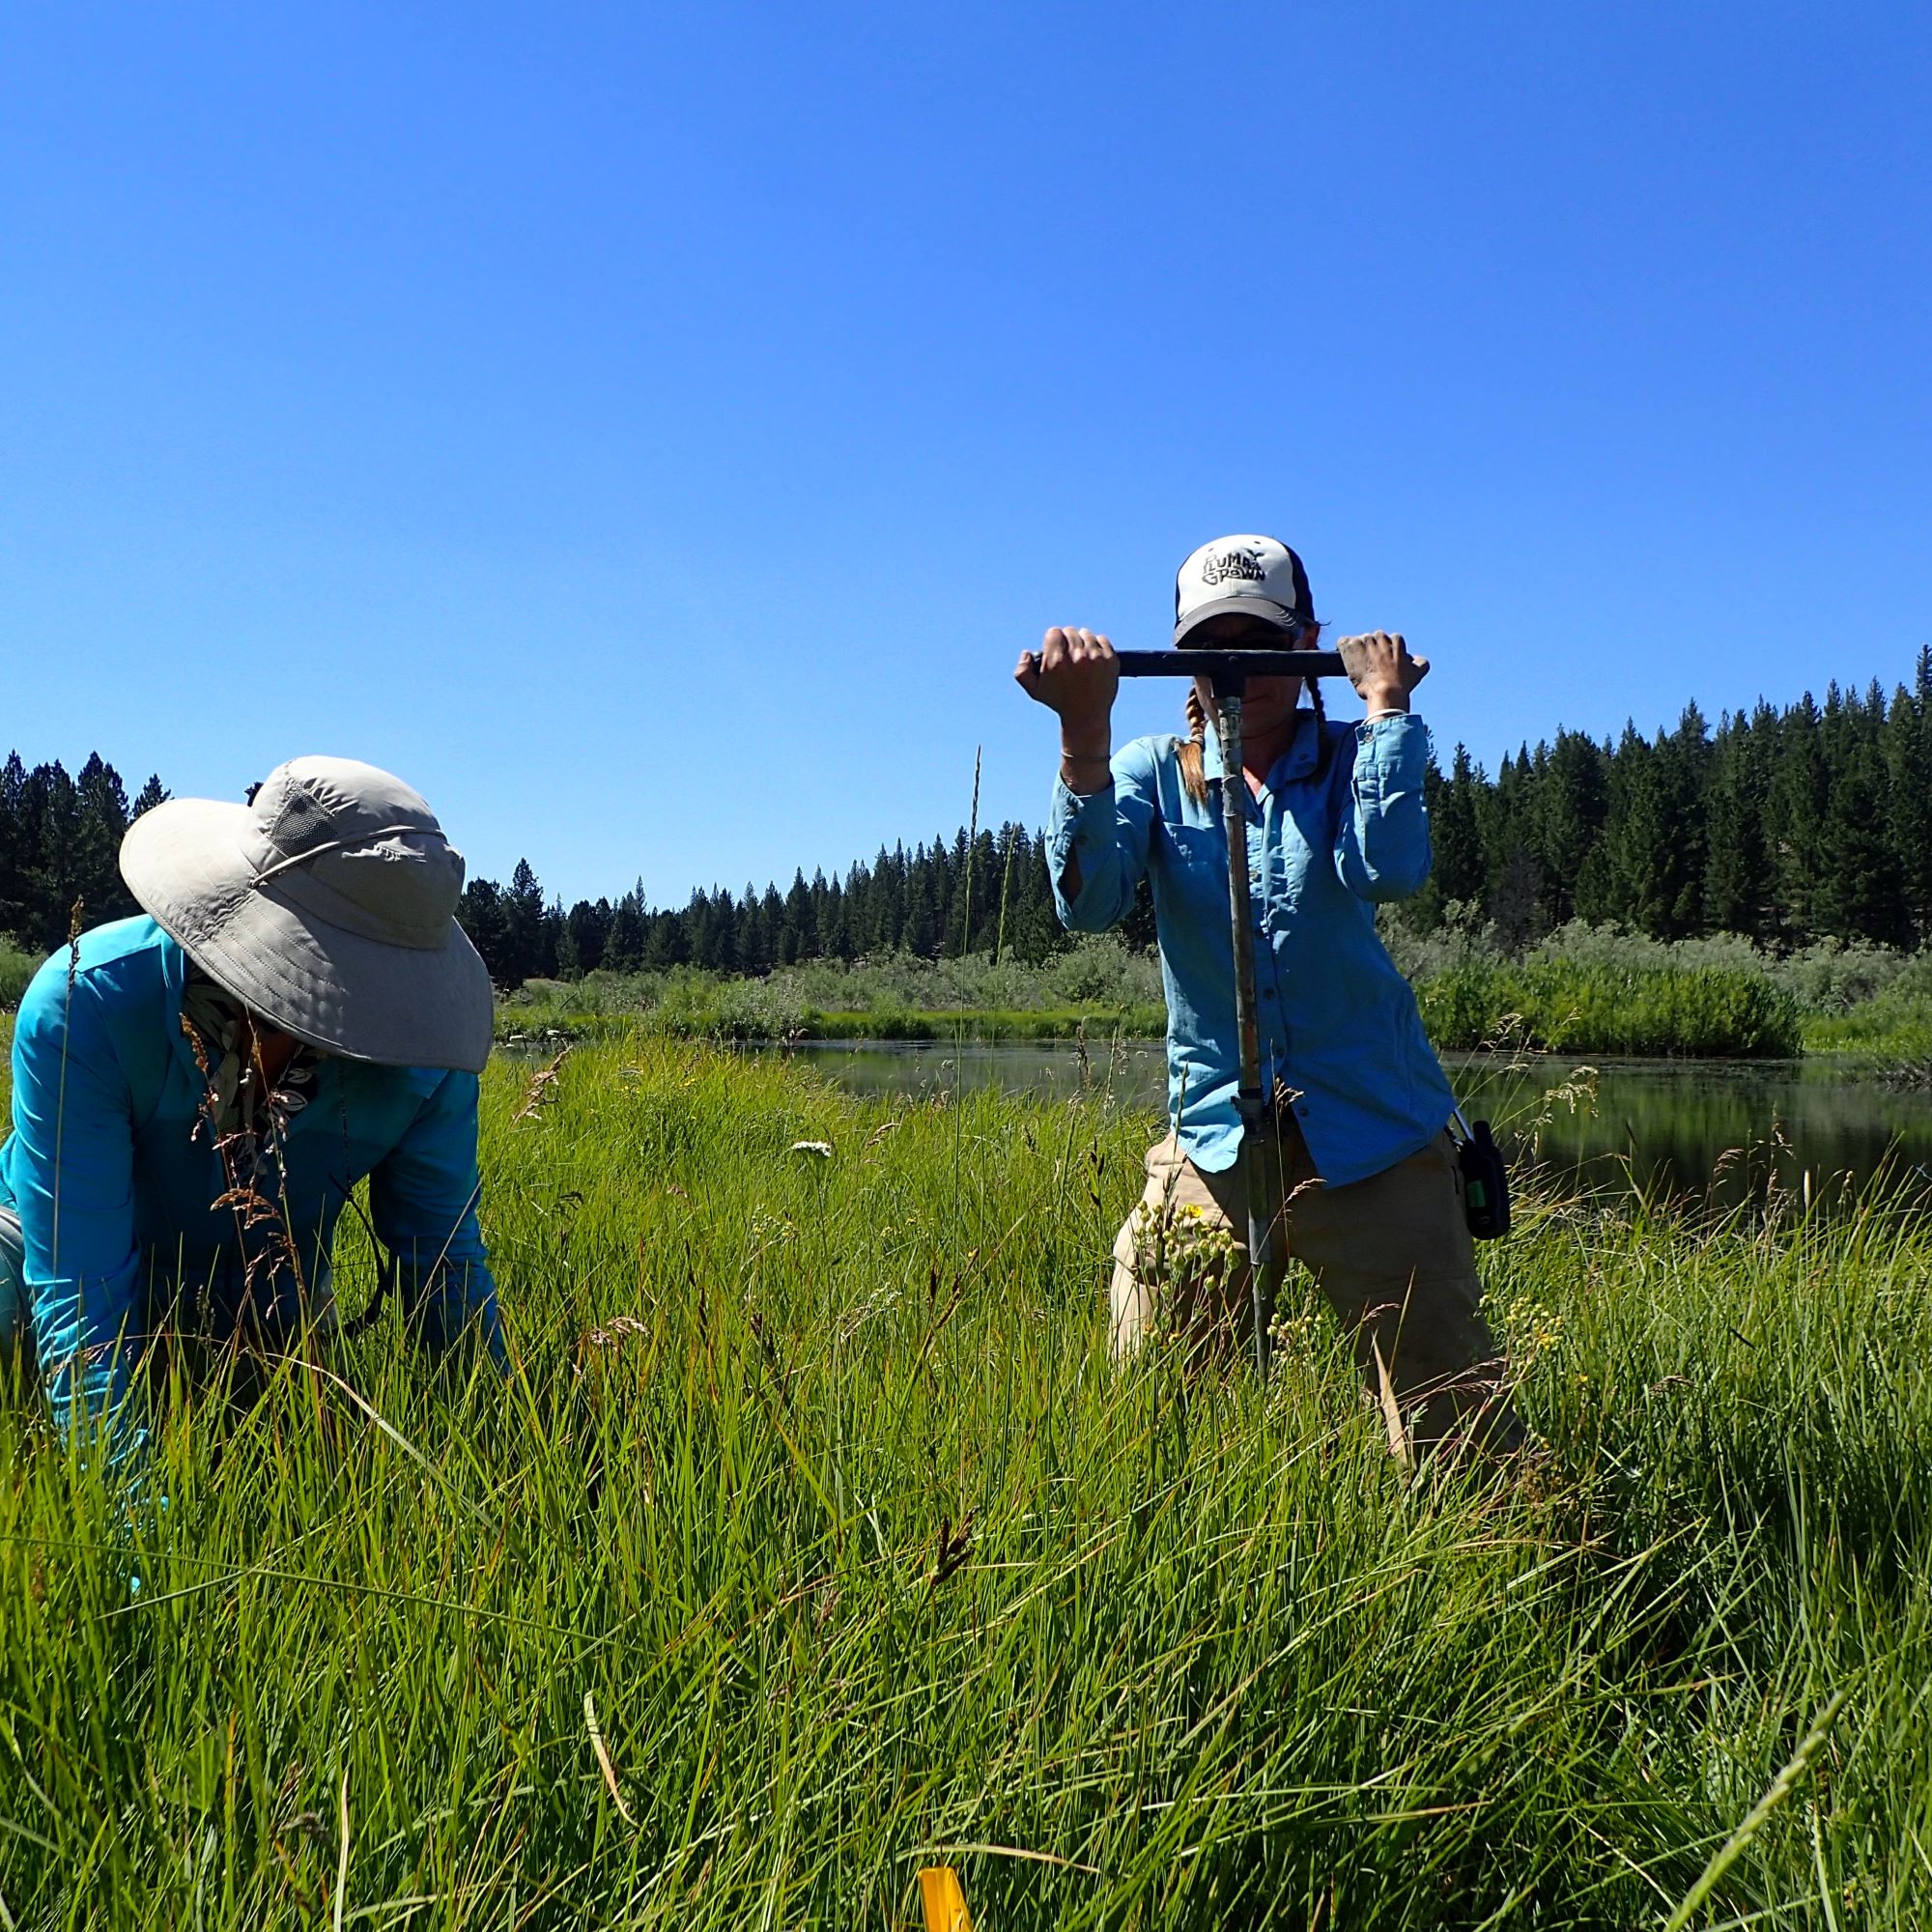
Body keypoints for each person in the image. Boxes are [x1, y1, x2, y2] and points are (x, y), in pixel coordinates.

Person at [1015, 535, 1520, 1458]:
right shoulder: (1153, 774)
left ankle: (1497, 1567)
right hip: (1213, 1140)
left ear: (1306, 645)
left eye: (1261, 642)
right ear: (1183, 655)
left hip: (1373, 1135)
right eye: (1214, 647)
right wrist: (1081, 738)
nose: (1237, 672)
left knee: (1454, 1421)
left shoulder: (1347, 756)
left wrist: (1388, 712)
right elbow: (1086, 904)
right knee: (1159, 1408)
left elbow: (1390, 866)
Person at [0, 755, 505, 1472]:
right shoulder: (92, 1003)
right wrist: (141, 1542)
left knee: (290, 1441)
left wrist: (496, 1464)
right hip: (42, 1248)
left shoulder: (429, 1060)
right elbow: (78, 1295)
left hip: (264, 1295)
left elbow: (444, 1268)